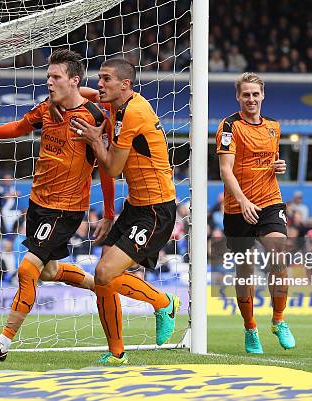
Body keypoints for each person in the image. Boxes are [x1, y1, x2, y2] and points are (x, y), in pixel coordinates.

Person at [0, 49, 115, 361]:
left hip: (66, 209)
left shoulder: (93, 118)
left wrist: (108, 212)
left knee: (27, 270)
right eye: (48, 76)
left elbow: (105, 168)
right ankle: (102, 286)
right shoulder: (47, 109)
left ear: (73, 80)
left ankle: (2, 343)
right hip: (38, 204)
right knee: (48, 271)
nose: (49, 82)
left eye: (56, 77)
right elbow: (20, 126)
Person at [68, 58, 180, 365]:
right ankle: (117, 353)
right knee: (102, 278)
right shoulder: (119, 105)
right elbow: (90, 94)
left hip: (156, 208)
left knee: (104, 273)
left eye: (105, 79)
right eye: (99, 78)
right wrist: (71, 90)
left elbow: (113, 168)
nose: (100, 83)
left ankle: (164, 302)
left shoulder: (134, 113)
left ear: (125, 84)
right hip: (135, 204)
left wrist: (94, 139)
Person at [215, 72, 294, 354]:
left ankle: (279, 319)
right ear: (238, 96)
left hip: (270, 201)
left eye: (255, 94)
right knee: (245, 271)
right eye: (245, 94)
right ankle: (250, 328)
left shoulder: (274, 126)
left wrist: (278, 167)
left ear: (262, 96)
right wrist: (243, 201)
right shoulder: (228, 126)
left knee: (278, 250)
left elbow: (270, 161)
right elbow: (226, 170)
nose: (251, 99)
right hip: (238, 208)